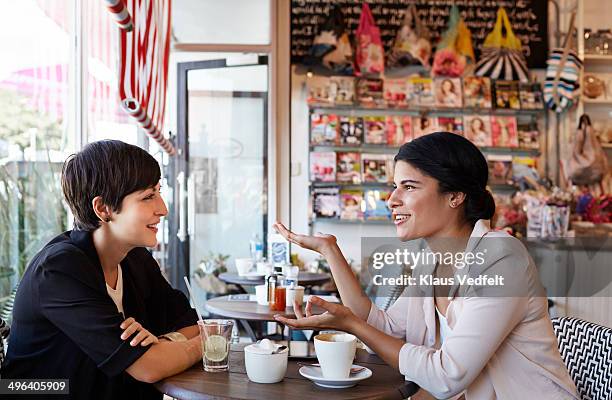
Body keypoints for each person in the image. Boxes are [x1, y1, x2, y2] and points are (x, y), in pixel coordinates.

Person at [273, 132, 578, 399]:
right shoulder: (431, 261)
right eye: (394, 187)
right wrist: (331, 252)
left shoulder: (501, 258)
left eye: (409, 186)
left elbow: (447, 376)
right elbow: (383, 325)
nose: (391, 199)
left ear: (455, 196)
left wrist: (350, 325)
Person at [2, 140, 202, 399]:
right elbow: (149, 367)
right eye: (148, 196)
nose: (163, 208)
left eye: (158, 191)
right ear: (103, 208)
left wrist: (164, 343)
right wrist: (204, 346)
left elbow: (192, 324)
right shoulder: (59, 270)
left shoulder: (135, 258)